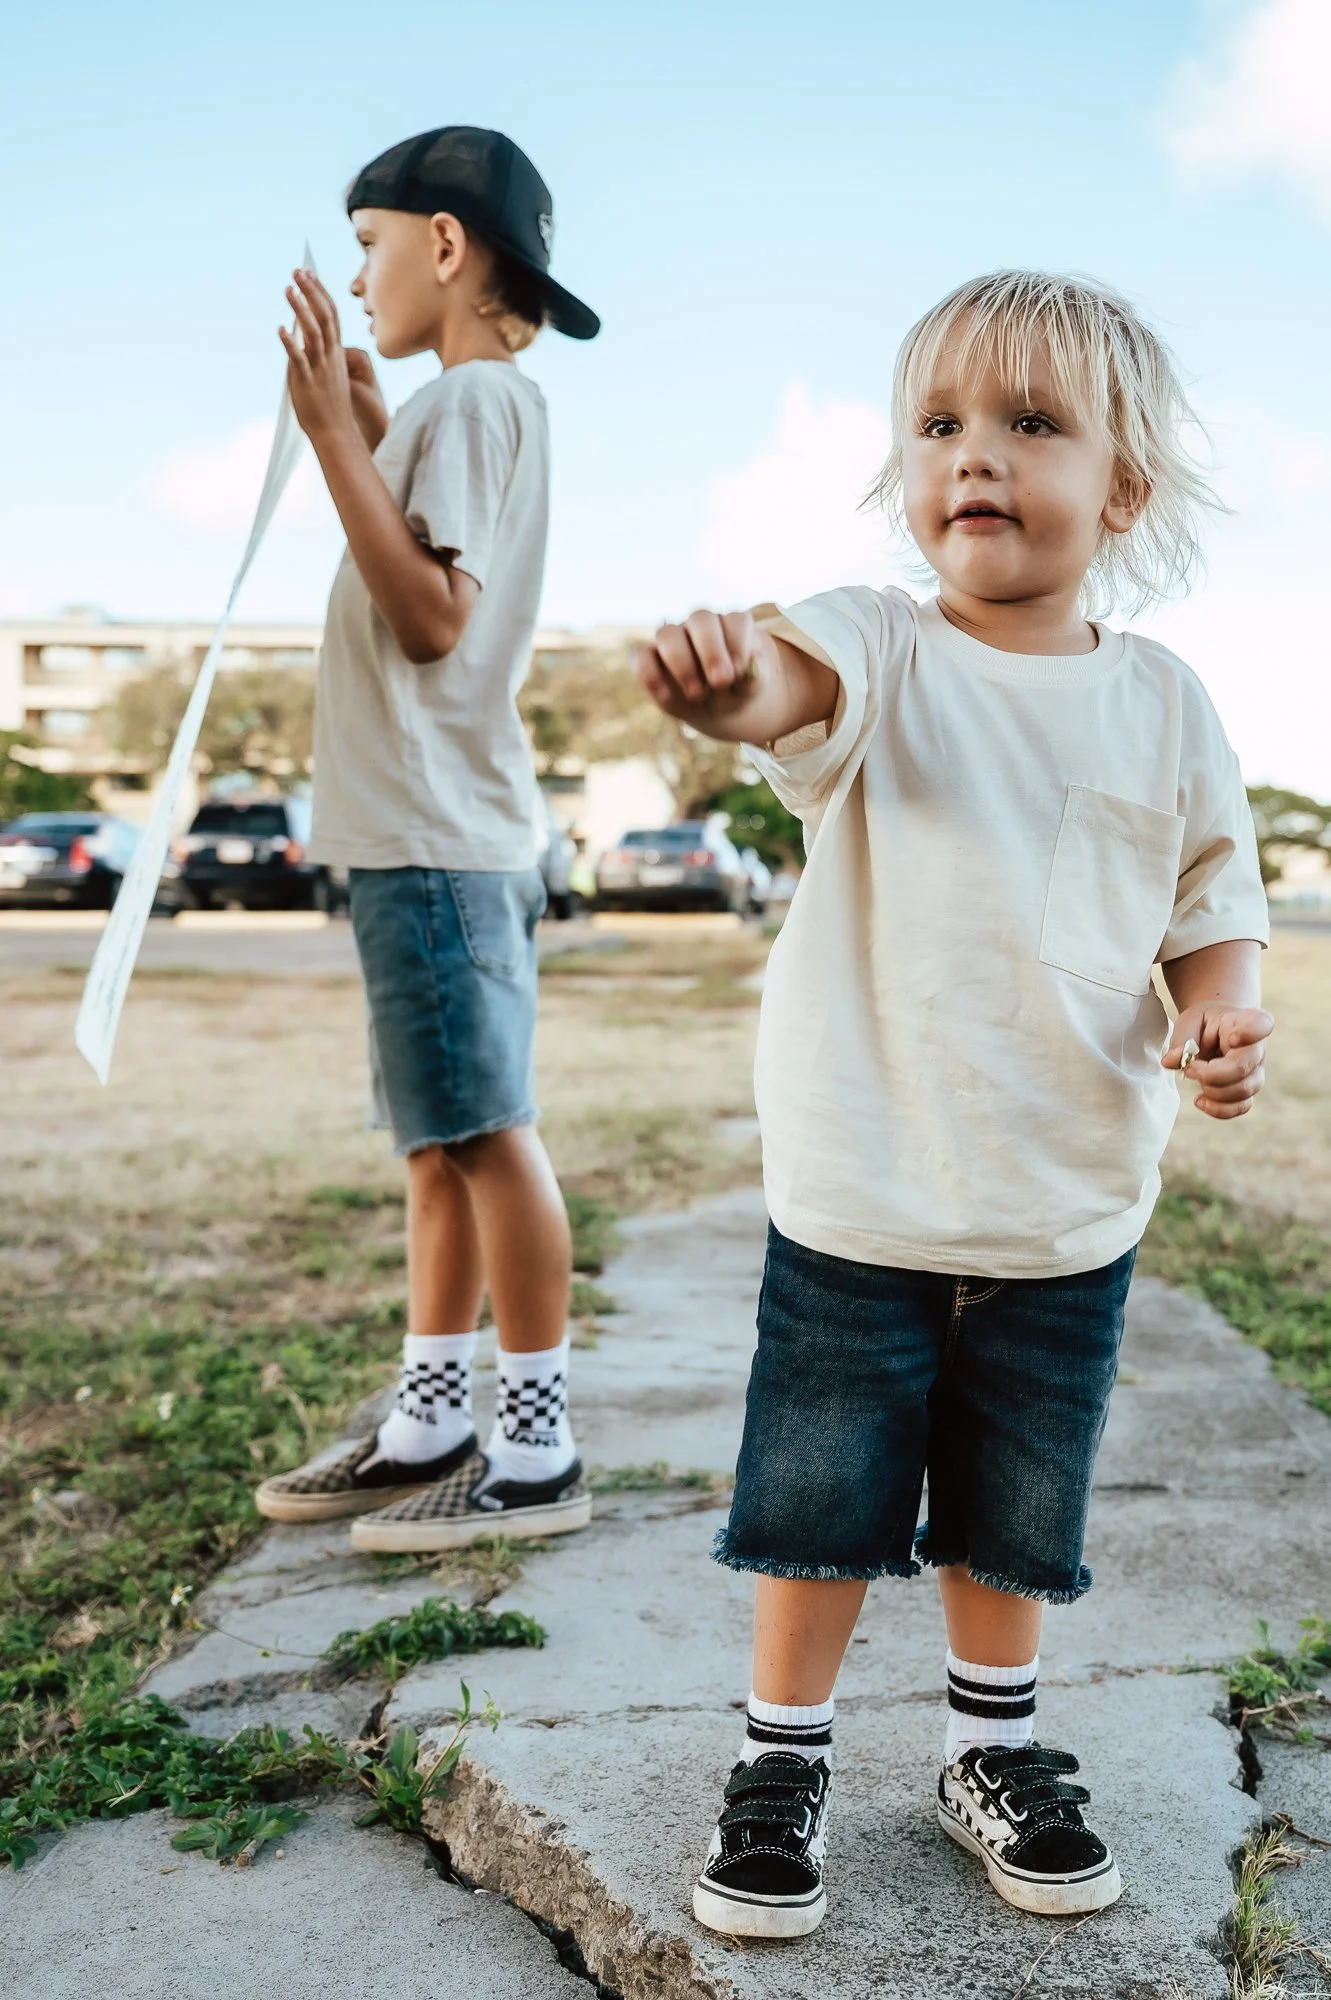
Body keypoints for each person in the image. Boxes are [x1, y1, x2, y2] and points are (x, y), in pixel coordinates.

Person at [632, 270, 1272, 1936]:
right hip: (863, 1188)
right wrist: (724, 693)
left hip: (1065, 1204)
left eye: (1029, 424)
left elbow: (1212, 913)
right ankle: (780, 1756)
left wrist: (1218, 1025)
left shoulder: (1165, 704)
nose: (971, 456)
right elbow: (787, 691)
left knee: (1013, 1506)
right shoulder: (875, 641)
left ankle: (993, 1748)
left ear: (1119, 490)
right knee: (818, 1497)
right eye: (938, 424)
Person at [254, 127, 600, 1553]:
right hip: (434, 835)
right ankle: (430, 1418)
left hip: (439, 839)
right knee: (437, 1144)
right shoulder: (462, 412)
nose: (358, 274)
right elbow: (427, 567)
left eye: (372, 243)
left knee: (485, 1137)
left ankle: (533, 1450)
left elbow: (428, 615)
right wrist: (368, 430)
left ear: (446, 248)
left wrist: (339, 432)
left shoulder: (469, 406)